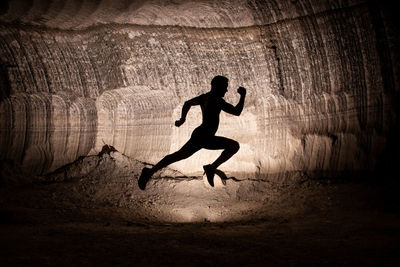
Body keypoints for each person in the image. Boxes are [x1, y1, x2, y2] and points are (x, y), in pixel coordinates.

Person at [138, 75, 246, 190]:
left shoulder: (204, 97)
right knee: (234, 146)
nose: (226, 90)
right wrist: (243, 96)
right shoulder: (218, 100)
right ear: (217, 87)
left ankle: (149, 172)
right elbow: (236, 111)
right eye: (225, 87)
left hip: (200, 135)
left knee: (178, 155)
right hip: (205, 137)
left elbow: (187, 103)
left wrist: (182, 119)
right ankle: (211, 168)